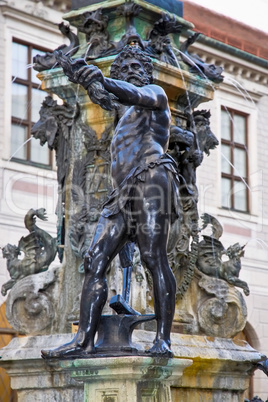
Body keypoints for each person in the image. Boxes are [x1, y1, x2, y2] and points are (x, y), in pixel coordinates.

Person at [42, 45, 180, 358]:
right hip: (121, 193)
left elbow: (129, 92)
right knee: (94, 259)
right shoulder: (124, 109)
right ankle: (84, 342)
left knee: (153, 256)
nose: (131, 69)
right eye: (124, 66)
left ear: (144, 74)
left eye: (136, 66)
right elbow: (104, 96)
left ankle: (163, 339)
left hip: (153, 177)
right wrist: (80, 74)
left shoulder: (154, 93)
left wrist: (102, 79)